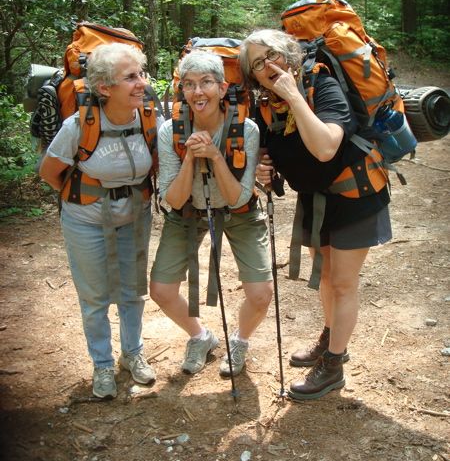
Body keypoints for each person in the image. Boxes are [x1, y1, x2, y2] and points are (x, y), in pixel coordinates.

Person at [240, 29, 392, 400]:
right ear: (253, 76)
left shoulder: (321, 85)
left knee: (342, 282)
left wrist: (293, 95)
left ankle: (333, 367)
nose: (268, 66)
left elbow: (325, 147)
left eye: (272, 55)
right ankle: (330, 340)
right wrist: (267, 167)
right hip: (316, 198)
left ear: (290, 54)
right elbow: (278, 152)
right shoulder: (265, 105)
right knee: (324, 277)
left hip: (355, 192)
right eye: (257, 64)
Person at [39, 42, 162, 400]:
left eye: (141, 74)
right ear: (105, 88)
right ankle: (102, 363)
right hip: (85, 220)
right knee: (94, 296)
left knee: (132, 291)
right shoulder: (80, 124)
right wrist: (88, 197)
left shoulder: (150, 116)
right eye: (130, 78)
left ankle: (133, 353)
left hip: (135, 215)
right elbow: (50, 171)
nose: (141, 83)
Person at [150, 50, 273, 378]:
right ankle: (201, 337)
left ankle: (240, 341)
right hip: (188, 211)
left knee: (261, 295)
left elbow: (238, 198)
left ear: (222, 88)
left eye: (206, 83)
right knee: (161, 290)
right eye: (189, 84)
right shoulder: (170, 131)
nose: (198, 92)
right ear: (182, 90)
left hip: (238, 213)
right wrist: (191, 158)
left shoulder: (245, 129)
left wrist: (216, 156)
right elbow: (173, 200)